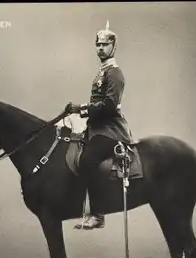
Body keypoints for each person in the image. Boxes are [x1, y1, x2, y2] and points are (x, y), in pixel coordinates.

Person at [66, 21, 135, 230]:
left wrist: (81, 109)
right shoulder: (101, 72)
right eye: (98, 45)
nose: (100, 48)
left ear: (113, 47)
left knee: (87, 160)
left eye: (105, 45)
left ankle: (97, 215)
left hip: (111, 129)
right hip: (97, 128)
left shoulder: (114, 73)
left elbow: (109, 106)